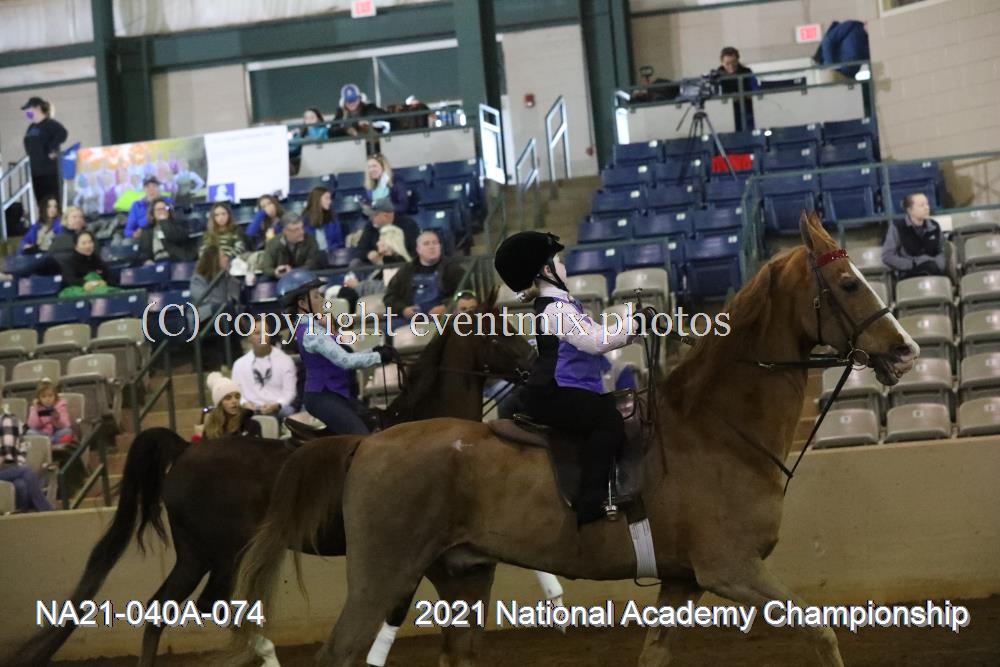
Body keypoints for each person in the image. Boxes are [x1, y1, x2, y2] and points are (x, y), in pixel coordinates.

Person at [494, 231, 639, 525]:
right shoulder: (556, 309)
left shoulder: (561, 304)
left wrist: (632, 325)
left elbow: (594, 335)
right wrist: (635, 323)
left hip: (563, 387)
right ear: (547, 271)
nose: (564, 266)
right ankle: (591, 503)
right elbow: (594, 342)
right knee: (608, 420)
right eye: (558, 261)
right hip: (553, 391)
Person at [278, 269, 393, 434]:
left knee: (372, 423)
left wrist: (372, 351)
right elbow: (344, 361)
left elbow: (344, 355)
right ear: (302, 304)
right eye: (316, 296)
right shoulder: (312, 332)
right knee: (359, 434)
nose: (322, 300)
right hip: (322, 396)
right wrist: (378, 356)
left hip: (333, 392)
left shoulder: (315, 328)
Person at [384, 231, 464, 329]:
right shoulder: (406, 270)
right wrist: (403, 310)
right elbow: (389, 297)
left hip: (442, 319)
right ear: (418, 249)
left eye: (435, 243)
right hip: (410, 319)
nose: (432, 247)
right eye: (426, 244)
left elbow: (466, 293)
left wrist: (446, 307)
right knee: (386, 329)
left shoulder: (453, 268)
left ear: (440, 247)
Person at [232, 319, 298, 420]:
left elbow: (290, 392)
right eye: (257, 333)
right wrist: (245, 404)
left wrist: (277, 405)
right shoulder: (239, 364)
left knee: (288, 411)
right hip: (251, 410)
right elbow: (236, 393)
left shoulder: (285, 360)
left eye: (265, 332)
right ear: (249, 337)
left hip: (278, 409)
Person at [881, 193, 946, 279]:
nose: (926, 208)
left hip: (934, 271)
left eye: (927, 204)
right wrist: (912, 264)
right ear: (909, 210)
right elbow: (887, 256)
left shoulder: (935, 226)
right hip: (910, 273)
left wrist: (939, 263)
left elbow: (942, 250)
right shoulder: (897, 227)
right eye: (921, 205)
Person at [0, 412, 54, 512]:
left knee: (21, 485)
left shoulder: (7, 421)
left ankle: (22, 515)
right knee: (26, 470)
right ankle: (46, 510)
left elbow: (7, 452)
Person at [21, 96, 68, 206]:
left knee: (52, 203)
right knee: (42, 204)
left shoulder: (49, 124)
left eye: (29, 109)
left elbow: (63, 133)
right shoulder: (31, 127)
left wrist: (51, 149)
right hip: (36, 173)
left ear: (37, 108)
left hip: (49, 172)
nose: (27, 112)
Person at [355, 197, 420, 266]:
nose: (370, 218)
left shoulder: (408, 224)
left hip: (403, 263)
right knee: (356, 263)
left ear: (386, 216)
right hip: (377, 264)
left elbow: (415, 250)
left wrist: (391, 256)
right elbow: (360, 249)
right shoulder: (371, 225)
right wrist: (368, 254)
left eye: (374, 215)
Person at [200, 372, 262, 440]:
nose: (234, 401)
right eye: (228, 398)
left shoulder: (252, 425)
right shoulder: (210, 427)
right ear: (220, 403)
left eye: (237, 396)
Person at [135, 197, 197, 264]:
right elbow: (143, 251)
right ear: (152, 213)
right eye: (159, 209)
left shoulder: (178, 224)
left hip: (177, 260)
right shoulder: (147, 230)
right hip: (156, 262)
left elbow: (177, 237)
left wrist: (164, 222)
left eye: (164, 208)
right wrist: (147, 260)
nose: (162, 211)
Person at [259, 218, 324, 278]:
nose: (302, 232)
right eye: (296, 229)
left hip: (304, 278)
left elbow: (311, 265)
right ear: (285, 231)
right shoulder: (273, 243)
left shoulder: (310, 241)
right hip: (280, 280)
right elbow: (266, 267)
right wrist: (275, 272)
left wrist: (291, 272)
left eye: (302, 227)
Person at [189, 245, 241, 320]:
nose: (227, 258)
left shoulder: (226, 277)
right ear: (214, 260)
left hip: (224, 316)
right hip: (204, 318)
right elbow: (205, 301)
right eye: (223, 256)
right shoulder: (197, 279)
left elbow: (236, 298)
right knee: (223, 308)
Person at [59, 231, 117, 296]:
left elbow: (108, 277)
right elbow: (70, 279)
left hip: (101, 291)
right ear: (76, 246)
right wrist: (84, 284)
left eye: (90, 242)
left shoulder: (97, 259)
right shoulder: (69, 261)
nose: (88, 246)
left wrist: (105, 282)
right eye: (84, 243)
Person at [714, 46, 759, 131]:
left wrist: (747, 95)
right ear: (722, 62)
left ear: (738, 60)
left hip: (747, 109)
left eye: (734, 62)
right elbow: (716, 96)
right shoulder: (716, 76)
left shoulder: (747, 72)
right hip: (725, 113)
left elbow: (756, 89)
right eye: (727, 63)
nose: (731, 66)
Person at [26, 379, 74, 445]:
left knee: (68, 431)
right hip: (42, 433)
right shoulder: (35, 408)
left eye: (50, 396)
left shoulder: (60, 405)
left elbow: (66, 424)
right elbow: (33, 425)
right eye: (43, 397)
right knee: (30, 432)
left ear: (55, 396)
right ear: (39, 398)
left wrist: (57, 419)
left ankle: (47, 442)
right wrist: (35, 410)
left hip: (56, 433)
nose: (47, 399)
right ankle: (53, 441)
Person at [302, 187, 349, 252]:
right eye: (327, 198)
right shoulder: (305, 220)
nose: (330, 201)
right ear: (317, 200)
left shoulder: (333, 218)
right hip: (313, 255)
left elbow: (339, 243)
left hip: (332, 254)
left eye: (330, 198)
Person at [289, 107, 329, 173]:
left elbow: (315, 139)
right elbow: (293, 147)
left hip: (317, 159)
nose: (309, 120)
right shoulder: (302, 132)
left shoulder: (323, 130)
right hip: (302, 159)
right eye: (306, 118)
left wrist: (310, 128)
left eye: (312, 117)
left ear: (318, 119)